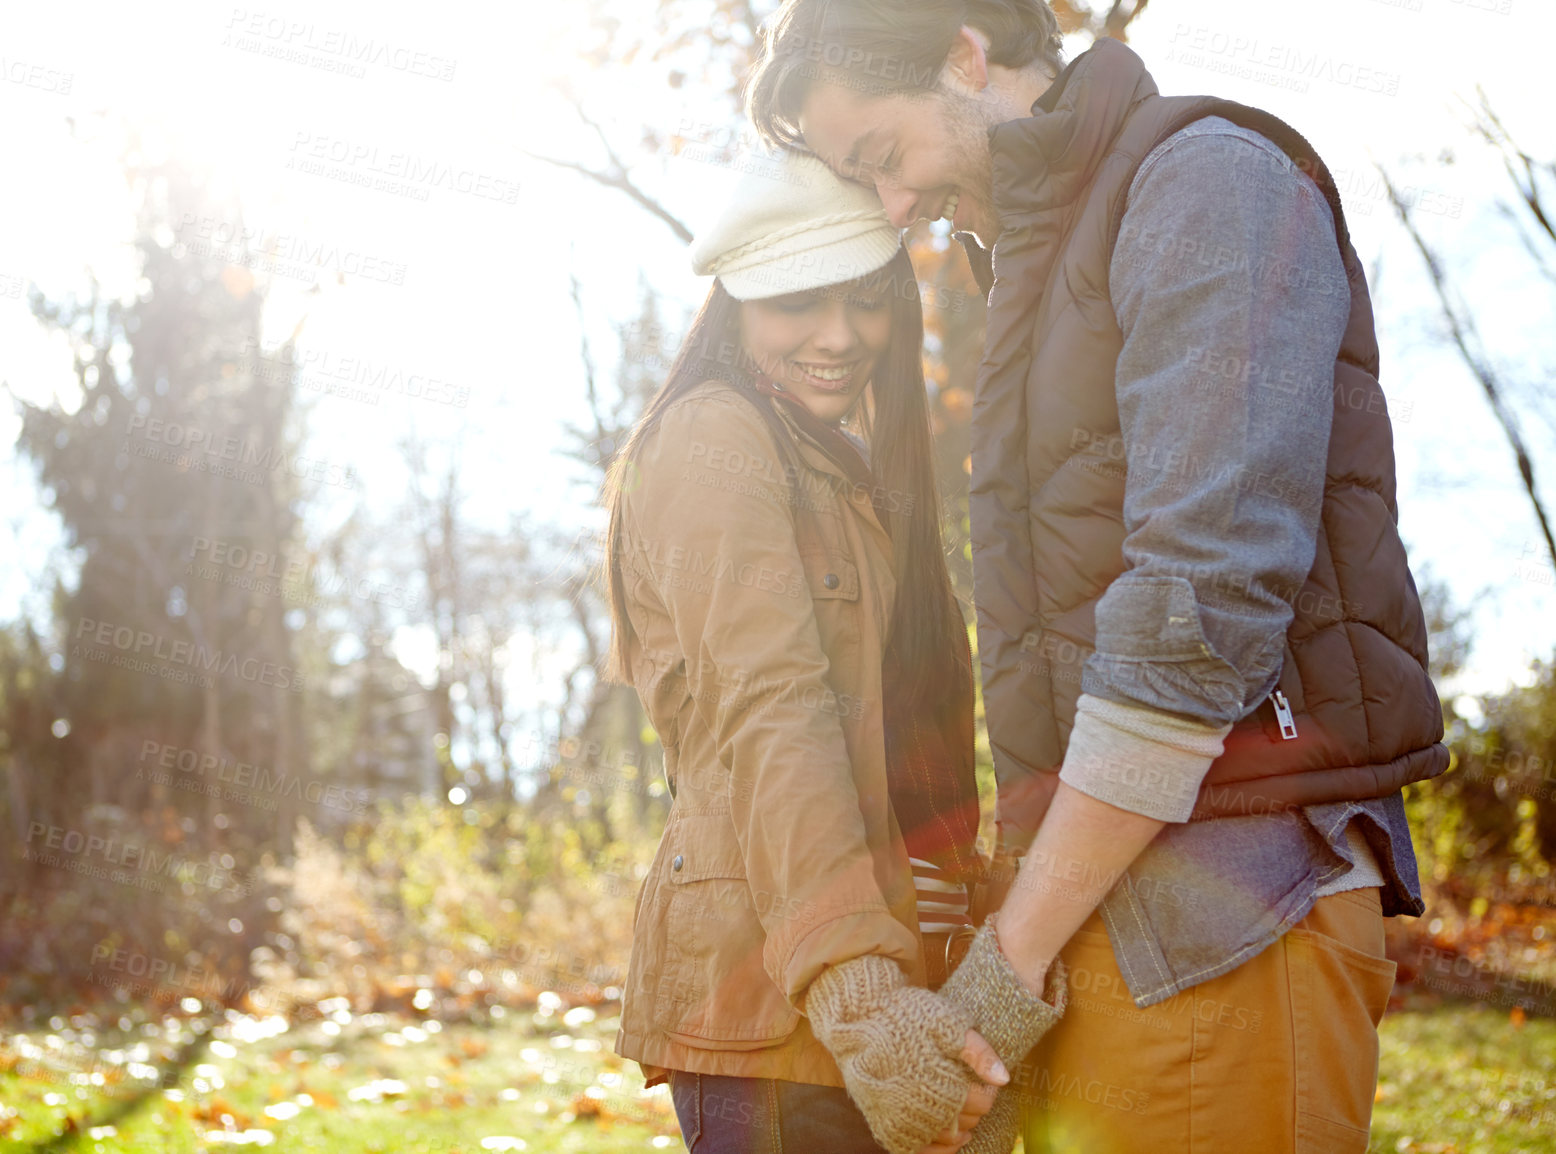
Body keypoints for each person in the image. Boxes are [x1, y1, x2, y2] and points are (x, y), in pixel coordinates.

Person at [744, 3, 1451, 1152]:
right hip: (1105, 924)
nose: (890, 208)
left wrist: (1006, 960)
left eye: (880, 158)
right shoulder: (1036, 261)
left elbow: (1198, 611)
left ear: (965, 55)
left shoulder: (1204, 182)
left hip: (1229, 918)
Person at [602, 148, 1067, 1154]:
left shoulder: (852, 469)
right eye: (796, 305)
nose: (839, 335)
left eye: (865, 301)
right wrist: (858, 996)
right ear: (734, 306)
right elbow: (769, 711)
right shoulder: (712, 439)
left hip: (916, 978)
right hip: (789, 1009)